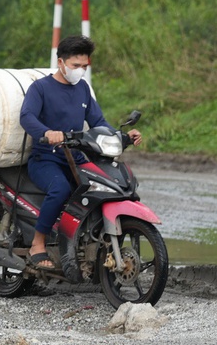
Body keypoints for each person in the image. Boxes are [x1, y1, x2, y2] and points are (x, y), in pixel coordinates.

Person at [19, 35, 142, 268]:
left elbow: (98, 121)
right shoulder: (41, 88)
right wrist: (47, 133)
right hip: (46, 158)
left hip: (74, 157)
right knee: (60, 188)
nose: (81, 71)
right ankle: (38, 243)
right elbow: (26, 117)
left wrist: (121, 135)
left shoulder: (83, 89)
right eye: (76, 66)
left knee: (107, 185)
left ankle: (92, 243)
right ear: (61, 62)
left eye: (84, 66)